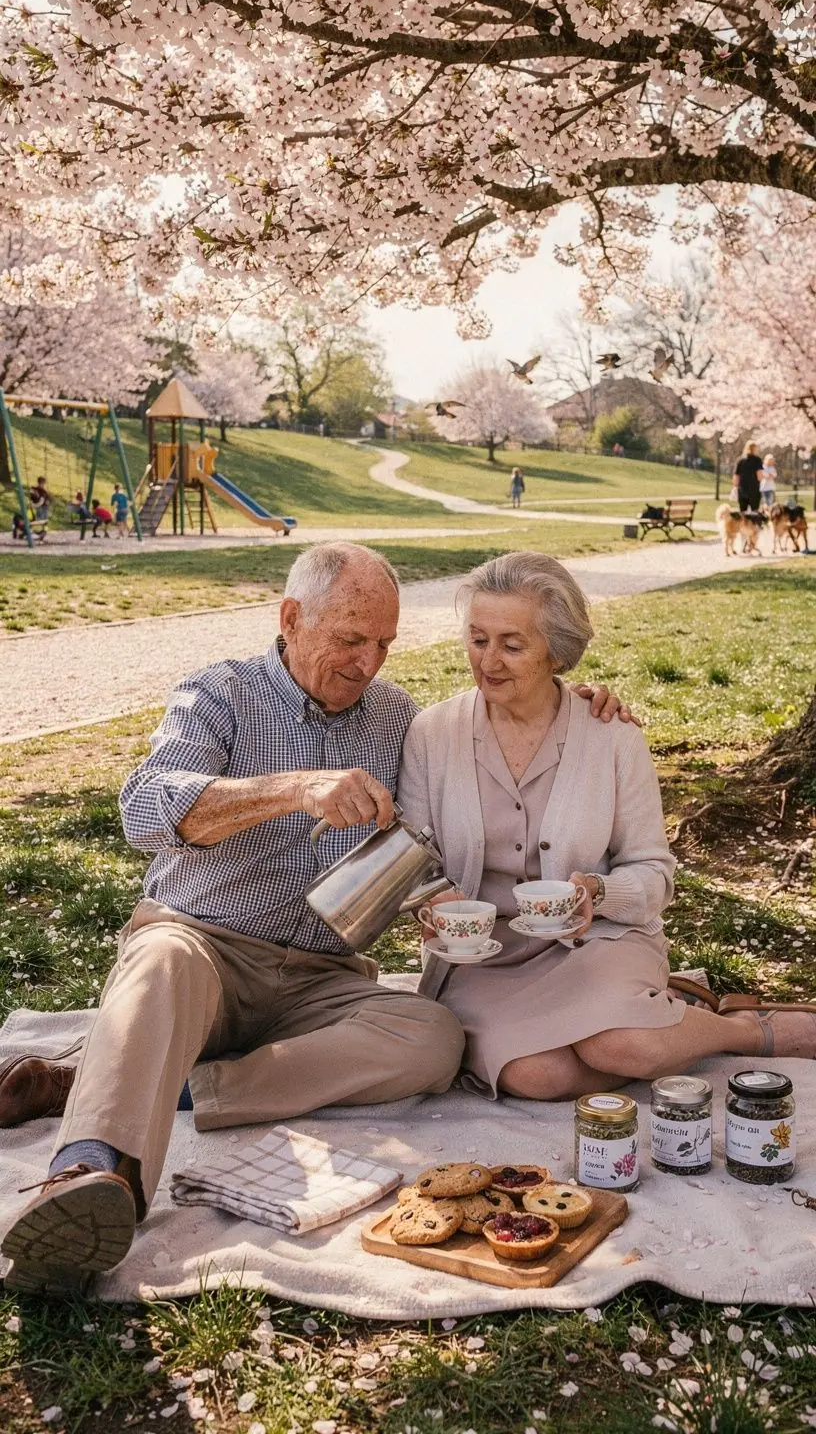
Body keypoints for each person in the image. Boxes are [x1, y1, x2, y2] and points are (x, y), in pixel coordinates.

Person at [0, 541, 631, 1290]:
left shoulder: (398, 718)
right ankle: (89, 1178)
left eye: (385, 644)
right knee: (160, 959)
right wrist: (294, 788)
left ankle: (147, 1079)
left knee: (432, 1035)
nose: (369, 663)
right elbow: (142, 810)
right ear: (292, 618)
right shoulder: (220, 695)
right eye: (350, 639)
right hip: (204, 950)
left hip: (323, 977)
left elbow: (494, 730)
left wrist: (581, 702)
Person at [398, 551, 816, 1105]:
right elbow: (410, 865)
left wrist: (599, 892)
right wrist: (434, 903)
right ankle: (664, 1019)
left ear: (557, 653)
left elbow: (654, 872)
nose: (489, 661)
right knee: (534, 1077)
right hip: (482, 957)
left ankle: (744, 1030)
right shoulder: (431, 733)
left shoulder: (611, 735)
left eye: (512, 644)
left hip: (594, 941)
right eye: (478, 640)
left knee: (624, 1047)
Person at [732, 441, 763, 512]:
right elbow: (759, 477)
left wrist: (736, 487)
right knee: (754, 512)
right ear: (755, 449)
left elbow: (736, 477)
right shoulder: (757, 460)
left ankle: (743, 523)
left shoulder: (740, 460)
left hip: (742, 490)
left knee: (743, 512)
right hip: (754, 490)